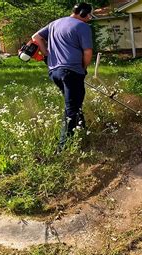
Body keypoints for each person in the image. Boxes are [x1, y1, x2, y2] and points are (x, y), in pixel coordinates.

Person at [32, 2, 94, 153]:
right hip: (72, 71)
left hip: (54, 72)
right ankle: (62, 149)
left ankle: (83, 134)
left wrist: (47, 55)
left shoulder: (55, 23)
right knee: (71, 109)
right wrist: (83, 69)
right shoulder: (82, 26)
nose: (90, 18)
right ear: (83, 13)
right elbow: (87, 53)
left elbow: (36, 37)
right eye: (90, 14)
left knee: (74, 103)